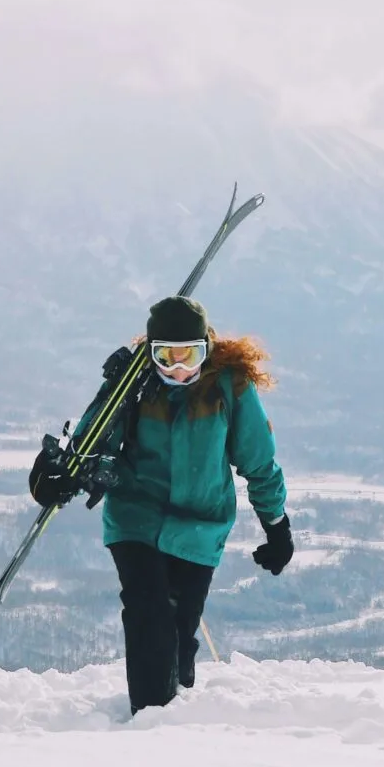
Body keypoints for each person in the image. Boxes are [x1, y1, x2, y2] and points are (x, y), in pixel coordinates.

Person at [30, 294, 293, 713]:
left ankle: (176, 704)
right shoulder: (133, 384)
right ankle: (150, 720)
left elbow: (258, 461)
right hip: (137, 517)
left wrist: (276, 525)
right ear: (150, 353)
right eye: (165, 357)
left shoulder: (229, 387)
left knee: (178, 627)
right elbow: (92, 437)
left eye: (189, 356)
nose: (177, 368)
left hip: (200, 526)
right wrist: (57, 474)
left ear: (206, 349)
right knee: (148, 612)